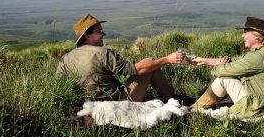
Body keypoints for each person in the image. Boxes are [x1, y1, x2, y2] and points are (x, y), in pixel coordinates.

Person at [57, 14, 192, 104]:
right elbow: (137, 70)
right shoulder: (103, 53)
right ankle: (173, 100)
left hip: (88, 105)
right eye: (99, 31)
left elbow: (60, 85)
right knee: (149, 63)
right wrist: (167, 59)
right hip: (118, 103)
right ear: (87, 36)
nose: (103, 34)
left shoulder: (66, 58)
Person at [190, 17, 264, 117]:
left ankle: (193, 109)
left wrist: (218, 66)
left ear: (257, 36)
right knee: (228, 76)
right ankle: (195, 108)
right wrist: (204, 60)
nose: (243, 36)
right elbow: (236, 63)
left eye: (245, 32)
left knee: (224, 79)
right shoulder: (263, 53)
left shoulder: (259, 57)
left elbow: (222, 71)